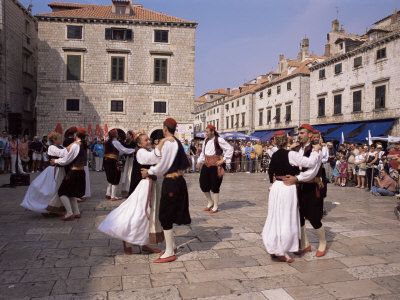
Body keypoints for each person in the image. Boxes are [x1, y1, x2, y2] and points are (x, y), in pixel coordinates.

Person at [98, 133, 171, 255]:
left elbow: (159, 161)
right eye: (145, 140)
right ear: (139, 143)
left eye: (149, 139)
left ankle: (144, 243)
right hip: (144, 186)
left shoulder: (148, 151)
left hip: (151, 185)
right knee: (141, 213)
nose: (149, 141)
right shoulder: (141, 152)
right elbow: (154, 158)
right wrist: (162, 144)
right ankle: (128, 241)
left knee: (147, 213)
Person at [263, 131, 322, 263]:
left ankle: (274, 247)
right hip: (286, 187)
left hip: (276, 187)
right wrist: (316, 151)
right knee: (286, 218)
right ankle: (281, 250)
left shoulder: (274, 154)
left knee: (275, 217)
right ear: (287, 141)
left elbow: (270, 171)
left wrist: (272, 183)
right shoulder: (291, 154)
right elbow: (310, 162)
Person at [141, 118, 191, 263]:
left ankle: (169, 252)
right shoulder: (175, 141)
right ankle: (172, 246)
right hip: (176, 181)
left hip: (172, 182)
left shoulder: (169, 143)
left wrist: (149, 171)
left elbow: (163, 165)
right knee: (168, 213)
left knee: (165, 215)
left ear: (164, 128)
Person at [283, 124, 327, 258]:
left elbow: (312, 172)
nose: (299, 136)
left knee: (314, 217)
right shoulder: (297, 149)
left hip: (312, 186)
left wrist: (296, 178)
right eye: (299, 133)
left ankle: (322, 242)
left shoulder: (316, 149)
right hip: (299, 186)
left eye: (302, 133)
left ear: (309, 134)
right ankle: (305, 244)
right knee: (300, 216)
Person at [21, 132, 68, 215]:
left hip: (61, 169)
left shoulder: (61, 147)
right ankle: (47, 207)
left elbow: (66, 154)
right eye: (59, 138)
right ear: (54, 140)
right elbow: (62, 153)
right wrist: (72, 147)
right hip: (54, 170)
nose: (61, 140)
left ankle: (56, 208)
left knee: (58, 189)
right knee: (50, 189)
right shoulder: (52, 147)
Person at [51, 128, 87, 221]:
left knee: (62, 192)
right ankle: (76, 212)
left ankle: (69, 213)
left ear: (76, 135)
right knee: (71, 193)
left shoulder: (76, 145)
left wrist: (56, 160)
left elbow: (68, 159)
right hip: (81, 171)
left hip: (74, 172)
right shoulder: (83, 144)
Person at [196, 124, 233, 213]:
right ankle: (210, 202)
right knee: (203, 184)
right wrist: (199, 161)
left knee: (215, 186)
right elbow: (203, 153)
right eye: (206, 131)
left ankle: (215, 206)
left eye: (207, 132)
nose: (206, 133)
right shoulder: (206, 140)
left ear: (212, 131)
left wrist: (223, 160)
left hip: (216, 165)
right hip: (206, 164)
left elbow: (230, 149)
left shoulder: (219, 139)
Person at [104, 129, 135, 201]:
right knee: (115, 176)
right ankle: (113, 196)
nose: (118, 134)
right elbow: (123, 150)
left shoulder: (107, 142)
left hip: (106, 160)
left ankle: (108, 193)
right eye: (117, 133)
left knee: (109, 177)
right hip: (112, 161)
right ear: (115, 135)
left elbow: (120, 151)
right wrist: (134, 150)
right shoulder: (115, 142)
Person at [120, 131, 136, 197]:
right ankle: (125, 190)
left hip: (131, 160)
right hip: (128, 159)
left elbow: (130, 148)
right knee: (126, 174)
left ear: (131, 135)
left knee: (129, 173)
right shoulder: (127, 141)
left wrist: (121, 143)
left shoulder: (133, 142)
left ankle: (129, 189)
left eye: (128, 134)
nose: (126, 135)